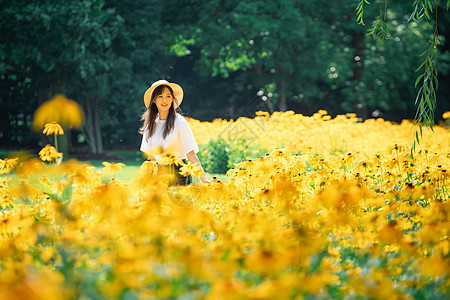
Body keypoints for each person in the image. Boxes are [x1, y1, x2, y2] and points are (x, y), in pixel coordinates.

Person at [139, 79, 210, 184]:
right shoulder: (151, 126)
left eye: (168, 96)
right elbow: (151, 159)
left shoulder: (180, 122)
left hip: (180, 174)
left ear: (172, 99)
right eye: (160, 96)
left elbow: (191, 154)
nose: (165, 101)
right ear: (154, 100)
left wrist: (204, 179)